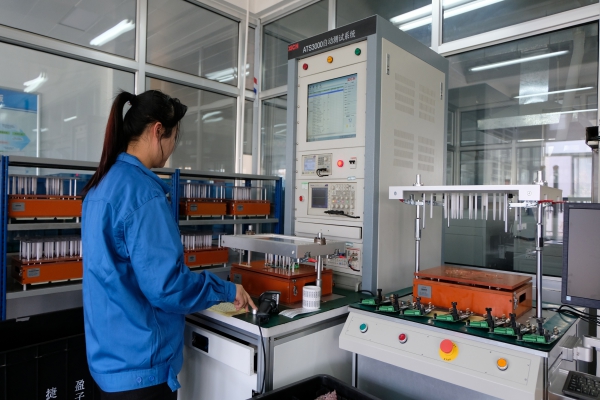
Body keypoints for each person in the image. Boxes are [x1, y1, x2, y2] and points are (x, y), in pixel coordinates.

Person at [81, 90, 256, 400]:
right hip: (142, 371)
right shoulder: (143, 194)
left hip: (108, 364)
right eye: (174, 138)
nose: (172, 148)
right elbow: (167, 287)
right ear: (158, 131)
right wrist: (227, 290)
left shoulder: (101, 185)